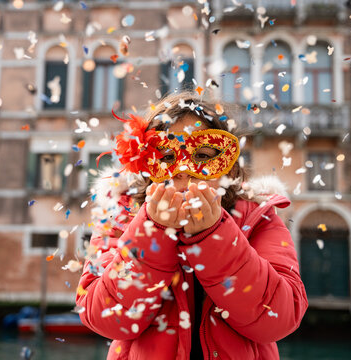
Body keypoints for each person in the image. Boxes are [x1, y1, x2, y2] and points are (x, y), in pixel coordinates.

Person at [76, 91, 308, 359]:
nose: (183, 172)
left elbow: (280, 317)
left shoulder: (260, 218)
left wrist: (214, 235)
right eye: (166, 157)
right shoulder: (120, 217)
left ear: (229, 168)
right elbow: (102, 316)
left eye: (203, 156)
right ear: (146, 167)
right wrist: (152, 232)